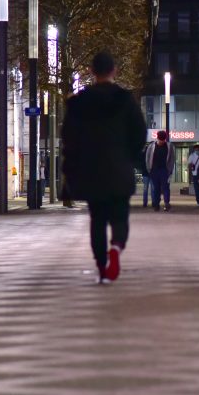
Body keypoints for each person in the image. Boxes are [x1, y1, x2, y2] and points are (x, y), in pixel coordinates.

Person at [61, 52, 147, 285]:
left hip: (91, 171)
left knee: (97, 219)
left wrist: (72, 169)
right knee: (120, 217)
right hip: (119, 168)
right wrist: (129, 156)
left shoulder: (79, 103)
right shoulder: (125, 100)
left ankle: (101, 267)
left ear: (91, 71)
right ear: (114, 70)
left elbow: (68, 138)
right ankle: (116, 248)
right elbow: (139, 133)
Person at [145, 130, 174, 211]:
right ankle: (156, 204)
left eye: (163, 140)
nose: (162, 142)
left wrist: (170, 171)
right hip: (154, 170)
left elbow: (172, 159)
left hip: (165, 170)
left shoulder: (169, 146)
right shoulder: (151, 146)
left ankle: (166, 203)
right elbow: (147, 158)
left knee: (166, 187)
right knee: (156, 188)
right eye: (160, 140)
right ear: (157, 138)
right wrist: (149, 169)